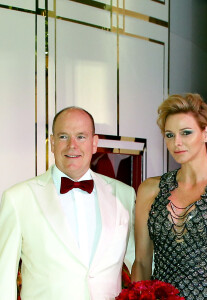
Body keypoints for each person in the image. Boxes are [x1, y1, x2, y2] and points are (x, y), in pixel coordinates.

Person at [0, 107, 135, 300]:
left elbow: (141, 264)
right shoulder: (17, 198)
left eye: (81, 137)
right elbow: (3, 278)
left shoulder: (124, 195)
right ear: (52, 143)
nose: (72, 145)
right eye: (64, 137)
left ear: (94, 143)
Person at [131, 93, 207, 300]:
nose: (176, 142)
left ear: (206, 133)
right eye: (170, 135)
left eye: (186, 133)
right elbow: (142, 262)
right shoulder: (150, 189)